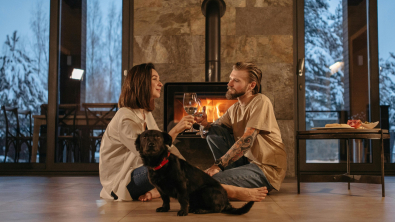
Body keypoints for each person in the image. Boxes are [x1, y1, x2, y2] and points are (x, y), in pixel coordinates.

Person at [100, 63, 268, 202]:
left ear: (251, 85)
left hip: (144, 173)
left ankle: (160, 191)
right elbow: (150, 155)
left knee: (182, 171)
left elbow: (169, 150)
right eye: (155, 79)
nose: (160, 83)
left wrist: (188, 164)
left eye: (235, 80)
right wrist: (176, 130)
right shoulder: (125, 117)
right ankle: (232, 192)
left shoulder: (145, 114)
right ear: (141, 83)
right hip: (124, 181)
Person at [195, 62, 287, 193]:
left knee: (209, 182)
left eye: (236, 80)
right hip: (246, 163)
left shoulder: (261, 101)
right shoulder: (234, 109)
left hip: (265, 169)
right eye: (230, 78)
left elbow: (246, 140)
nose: (229, 84)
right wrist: (204, 124)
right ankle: (231, 178)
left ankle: (232, 183)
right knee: (213, 131)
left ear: (252, 85)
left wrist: (218, 166)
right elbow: (212, 131)